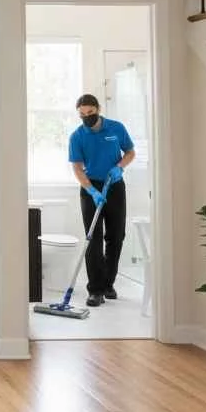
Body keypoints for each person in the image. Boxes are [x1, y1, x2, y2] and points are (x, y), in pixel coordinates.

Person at [68, 93, 135, 308]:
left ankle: (108, 284)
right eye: (82, 114)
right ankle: (95, 290)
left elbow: (130, 152)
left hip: (114, 184)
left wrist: (120, 167)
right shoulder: (77, 136)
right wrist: (92, 191)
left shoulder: (116, 128)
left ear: (98, 109)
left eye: (90, 112)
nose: (86, 117)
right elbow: (77, 168)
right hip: (91, 187)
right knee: (93, 238)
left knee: (116, 236)